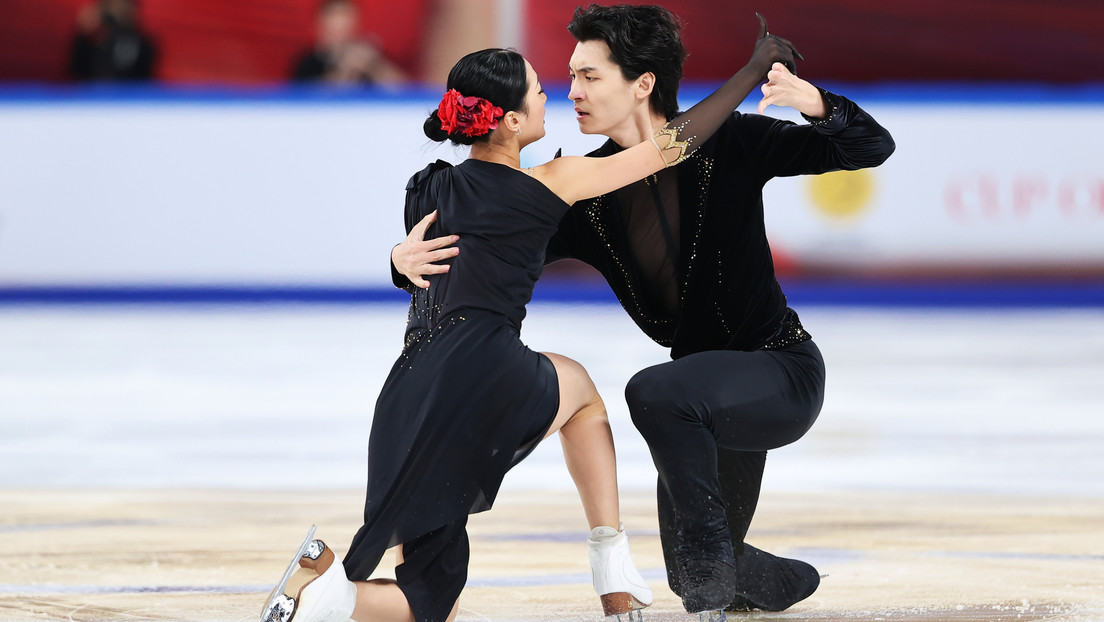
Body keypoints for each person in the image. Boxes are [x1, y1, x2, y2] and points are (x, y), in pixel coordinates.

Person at [261, 21, 802, 622]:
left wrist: (393, 261)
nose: (554, 97)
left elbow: (431, 261)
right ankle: (610, 565)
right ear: (512, 120)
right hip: (484, 367)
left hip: (410, 387)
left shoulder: (427, 187)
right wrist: (753, 73)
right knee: (586, 398)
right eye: (541, 91)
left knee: (429, 597)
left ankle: (327, 588)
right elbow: (672, 146)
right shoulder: (553, 182)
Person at [392, 4, 896, 618]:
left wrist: (809, 98)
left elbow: (870, 145)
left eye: (589, 76)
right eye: (569, 77)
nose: (571, 91)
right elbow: (484, 260)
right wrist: (402, 258)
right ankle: (778, 578)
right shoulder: (584, 192)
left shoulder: (732, 140)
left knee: (653, 393)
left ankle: (717, 572)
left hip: (777, 371)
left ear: (643, 84)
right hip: (694, 397)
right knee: (694, 572)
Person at [291, 0, 405, 85]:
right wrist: (345, 71)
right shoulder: (307, 64)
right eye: (333, 31)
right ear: (318, 27)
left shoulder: (369, 58)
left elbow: (404, 89)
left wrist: (373, 66)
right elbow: (309, 99)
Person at [68, 0, 156, 81]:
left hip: (130, 93)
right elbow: (78, 71)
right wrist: (84, 36)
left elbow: (144, 75)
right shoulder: (95, 38)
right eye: (112, 5)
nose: (117, 9)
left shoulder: (140, 40)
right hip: (94, 93)